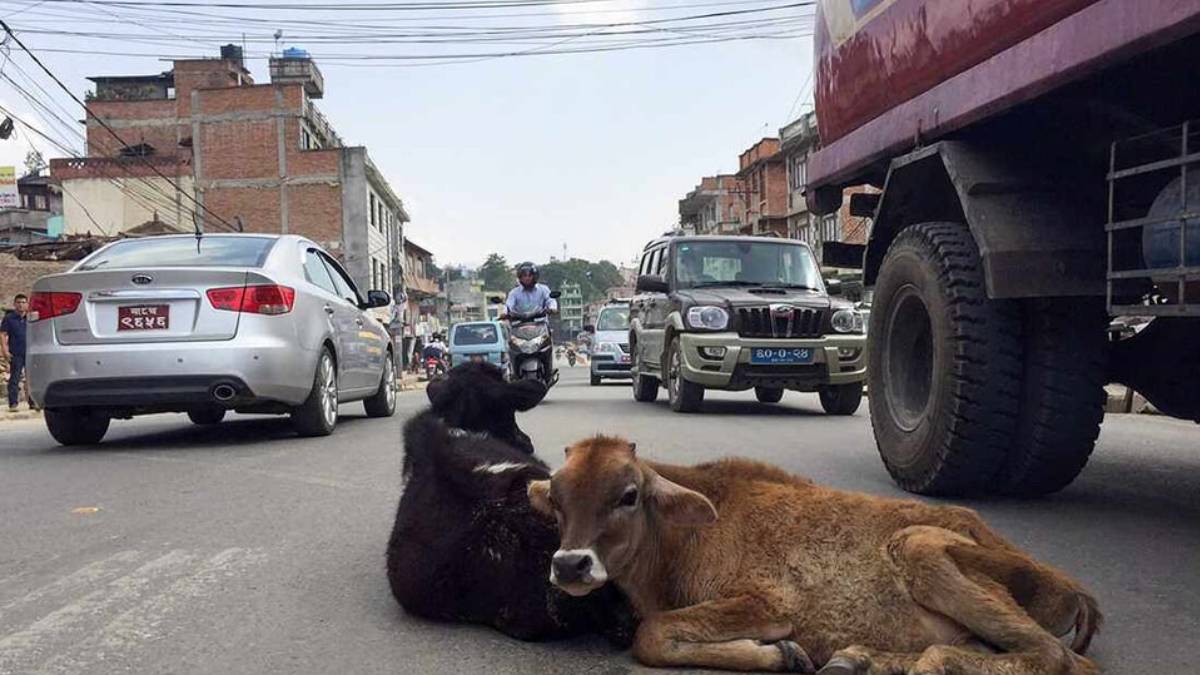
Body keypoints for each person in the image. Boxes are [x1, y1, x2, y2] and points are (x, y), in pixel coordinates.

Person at [1, 294, 30, 412]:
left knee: (31, 379)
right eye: (18, 302)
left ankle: (33, 403)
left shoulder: (31, 318)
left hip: (30, 353)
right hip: (16, 352)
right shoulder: (9, 318)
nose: (21, 305)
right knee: (14, 378)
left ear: (27, 304)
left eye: (23, 302)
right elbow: (2, 334)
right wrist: (5, 350)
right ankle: (13, 403)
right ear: (14, 304)